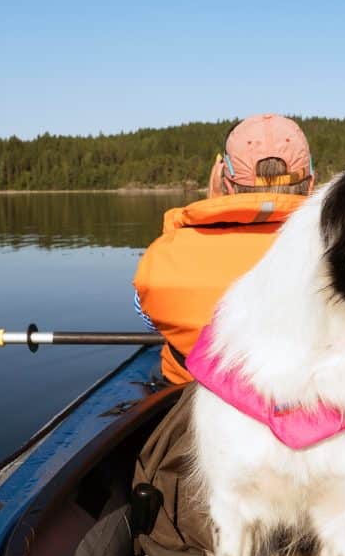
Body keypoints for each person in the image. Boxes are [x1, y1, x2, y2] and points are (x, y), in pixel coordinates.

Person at [132, 114, 315, 384]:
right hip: (309, 403)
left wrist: (211, 207)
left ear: (224, 181)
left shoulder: (164, 256)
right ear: (311, 183)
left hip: (192, 402)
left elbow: (152, 321)